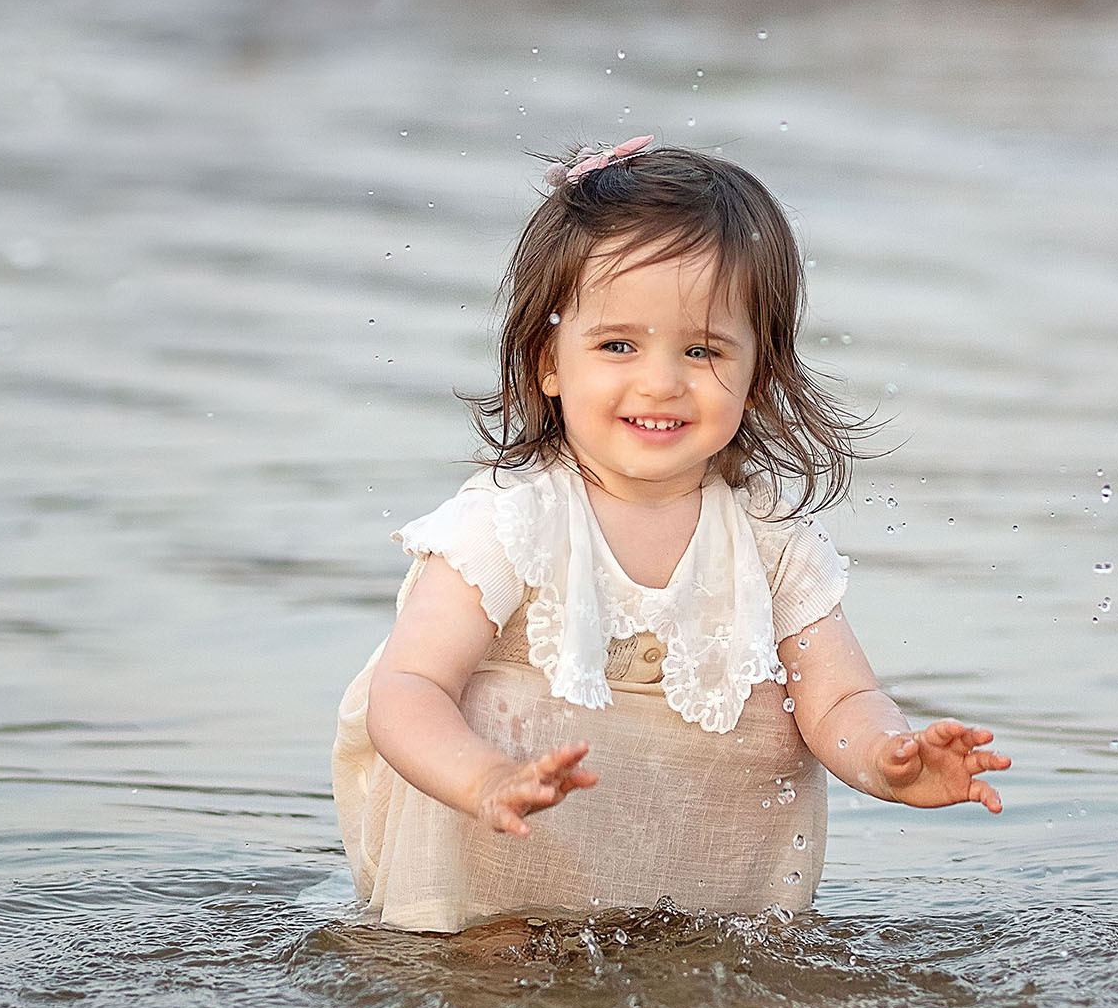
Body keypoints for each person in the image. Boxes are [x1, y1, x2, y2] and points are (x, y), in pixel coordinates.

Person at [333, 138, 1008, 933]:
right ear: (550, 361)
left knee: (772, 709)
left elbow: (842, 697)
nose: (661, 380)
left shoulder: (767, 538)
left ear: (757, 378)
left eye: (703, 350)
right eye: (619, 344)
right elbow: (407, 690)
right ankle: (490, 964)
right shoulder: (512, 520)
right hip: (494, 856)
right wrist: (483, 779)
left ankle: (698, 948)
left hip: (682, 873)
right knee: (493, 713)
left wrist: (888, 758)